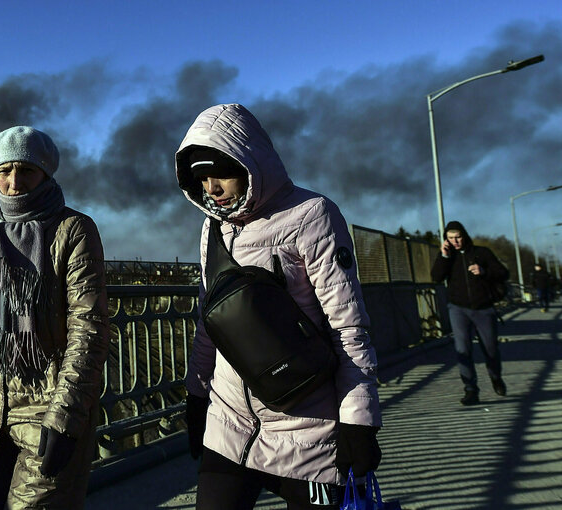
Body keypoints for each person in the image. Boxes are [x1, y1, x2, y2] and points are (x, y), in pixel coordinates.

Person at [177, 104, 382, 509]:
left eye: (222, 173)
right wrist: (197, 393)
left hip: (309, 427)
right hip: (230, 423)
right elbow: (210, 321)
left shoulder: (311, 215)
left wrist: (359, 422)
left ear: (252, 163)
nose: (212, 187)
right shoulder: (212, 228)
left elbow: (348, 324)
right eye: (201, 177)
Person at [0, 126, 109, 510]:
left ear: (46, 174)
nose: (14, 182)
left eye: (26, 171)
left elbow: (88, 329)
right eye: (4, 171)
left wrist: (66, 413)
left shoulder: (73, 229)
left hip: (47, 402)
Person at [430, 221, 510, 406]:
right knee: (463, 350)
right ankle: (470, 389)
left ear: (464, 235)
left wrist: (484, 271)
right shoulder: (448, 256)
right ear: (446, 239)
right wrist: (443, 256)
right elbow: (436, 277)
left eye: (457, 237)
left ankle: (496, 377)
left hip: (484, 308)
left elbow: (503, 273)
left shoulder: (482, 253)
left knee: (490, 349)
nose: (455, 241)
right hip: (458, 308)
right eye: (450, 238)